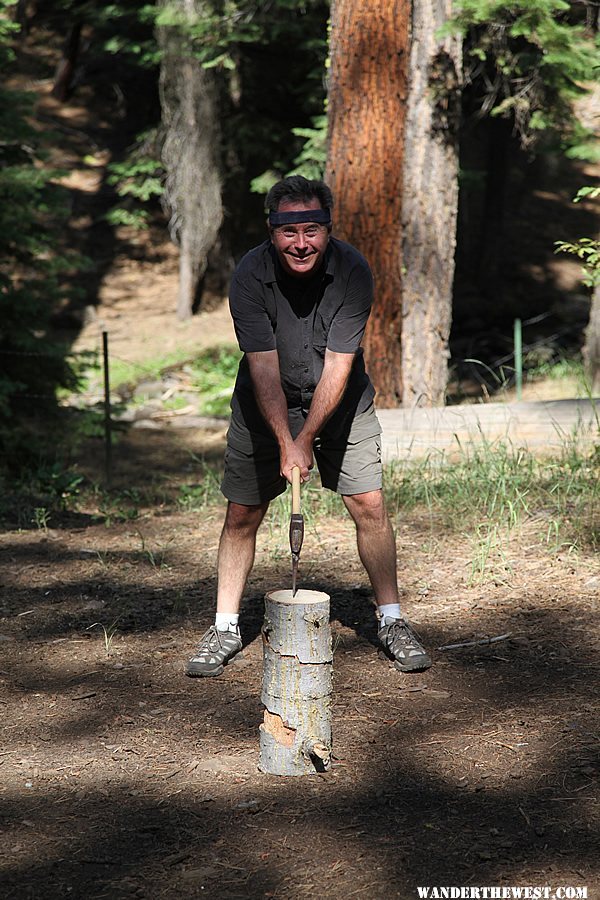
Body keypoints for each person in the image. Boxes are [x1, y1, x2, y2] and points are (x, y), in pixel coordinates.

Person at [185, 175, 431, 678]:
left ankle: (392, 619)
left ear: (328, 228)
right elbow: (262, 366)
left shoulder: (353, 271)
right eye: (289, 232)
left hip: (342, 402)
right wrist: (285, 439)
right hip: (264, 404)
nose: (302, 244)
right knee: (241, 513)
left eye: (313, 230)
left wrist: (305, 439)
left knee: (370, 503)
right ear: (272, 231)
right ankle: (226, 625)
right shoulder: (250, 275)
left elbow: (340, 365)